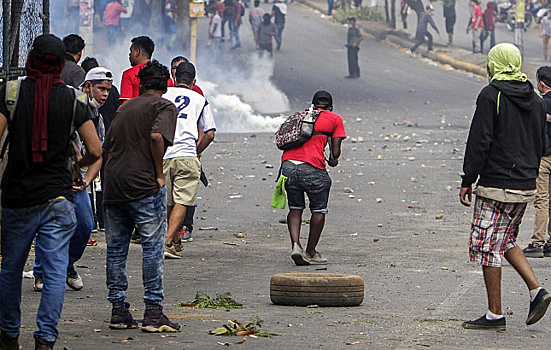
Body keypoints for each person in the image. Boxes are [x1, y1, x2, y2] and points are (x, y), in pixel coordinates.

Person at [0, 34, 101, 350]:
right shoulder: (75, 100)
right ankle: (45, 340)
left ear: (31, 59)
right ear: (61, 64)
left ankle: (8, 336)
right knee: (56, 273)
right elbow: (96, 150)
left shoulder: (11, 93)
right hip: (59, 197)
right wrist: (76, 163)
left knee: (11, 270)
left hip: (17, 197)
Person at [460, 43, 551, 331]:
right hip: (525, 184)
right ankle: (537, 290)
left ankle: (494, 314)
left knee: (487, 247)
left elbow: (480, 141)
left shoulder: (491, 95)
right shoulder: (536, 99)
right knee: (505, 239)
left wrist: (467, 179)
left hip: (497, 184)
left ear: (495, 63)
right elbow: (541, 141)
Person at [102, 60, 181, 332]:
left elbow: (107, 145)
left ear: (142, 83)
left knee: (116, 249)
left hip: (113, 184)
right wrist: (159, 175)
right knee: (152, 247)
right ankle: (153, 311)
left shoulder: (124, 108)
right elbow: (157, 137)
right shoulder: (164, 106)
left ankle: (118, 310)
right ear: (165, 84)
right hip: (143, 185)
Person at [33, 67, 111, 294]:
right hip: (54, 175)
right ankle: (40, 271)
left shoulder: (98, 117)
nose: (105, 94)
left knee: (85, 224)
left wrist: (86, 180)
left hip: (76, 180)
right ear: (87, 87)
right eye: (101, 89)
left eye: (108, 90)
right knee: (47, 224)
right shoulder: (69, 103)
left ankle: (67, 264)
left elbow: (98, 153)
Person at [281, 91, 346, 266]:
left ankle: (296, 245)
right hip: (311, 168)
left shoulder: (300, 116)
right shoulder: (334, 119)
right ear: (330, 106)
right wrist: (333, 159)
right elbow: (335, 152)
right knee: (319, 210)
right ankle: (310, 251)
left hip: (287, 167)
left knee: (295, 208)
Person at [162, 62, 216, 259]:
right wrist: (196, 150)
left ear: (174, 78)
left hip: (164, 154)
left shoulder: (164, 94)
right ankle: (168, 242)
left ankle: (174, 240)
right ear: (194, 81)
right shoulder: (200, 99)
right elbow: (209, 133)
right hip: (187, 154)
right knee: (183, 200)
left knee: (169, 201)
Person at [523, 66, 551, 258]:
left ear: (540, 83)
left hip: (544, 157)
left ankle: (537, 242)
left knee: (542, 200)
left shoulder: (540, 104)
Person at [119, 36, 154, 104]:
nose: (129, 54)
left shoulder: (129, 75)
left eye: (131, 51)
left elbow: (125, 105)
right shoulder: (164, 76)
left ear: (137, 52)